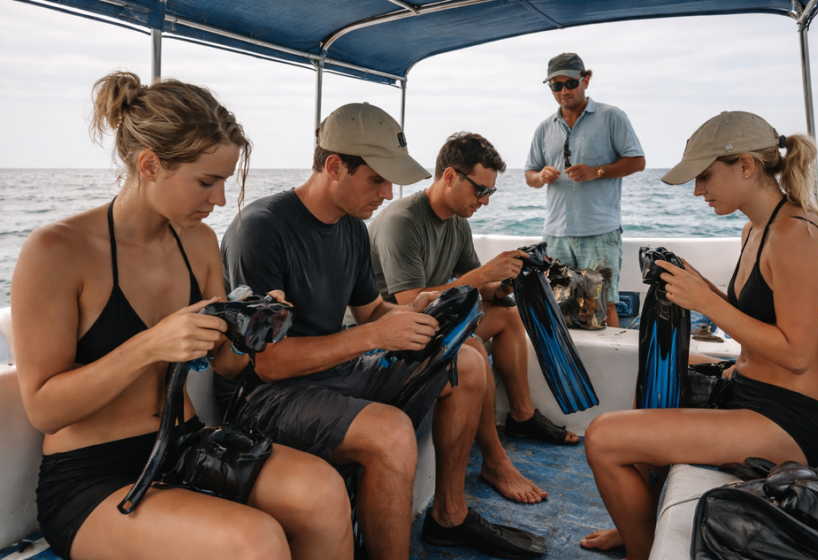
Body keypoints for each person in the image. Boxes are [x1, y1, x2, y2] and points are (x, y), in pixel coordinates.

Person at [11, 71, 353, 560]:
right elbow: (44, 408)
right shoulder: (57, 250)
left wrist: (246, 329)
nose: (217, 201)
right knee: (255, 542)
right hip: (92, 477)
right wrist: (150, 344)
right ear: (150, 165)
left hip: (187, 444)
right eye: (206, 182)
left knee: (324, 491)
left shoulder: (197, 242)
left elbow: (227, 367)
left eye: (223, 183)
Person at [218, 103, 547, 560]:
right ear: (335, 166)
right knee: (390, 432)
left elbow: (371, 310)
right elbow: (268, 362)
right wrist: (373, 338)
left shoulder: (352, 228)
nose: (389, 192)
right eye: (377, 179)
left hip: (333, 371)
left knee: (469, 360)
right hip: (265, 397)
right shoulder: (260, 230)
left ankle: (449, 516)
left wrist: (412, 310)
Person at [583, 111, 818, 560]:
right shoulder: (756, 228)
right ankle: (637, 518)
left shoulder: (796, 235)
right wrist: (697, 283)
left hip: (788, 419)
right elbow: (757, 312)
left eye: (704, 176)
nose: (698, 191)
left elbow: (798, 353)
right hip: (750, 389)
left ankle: (641, 551)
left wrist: (706, 301)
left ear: (746, 166)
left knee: (604, 437)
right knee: (663, 369)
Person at [369, 132, 581, 504]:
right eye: (480, 190)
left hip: (432, 321)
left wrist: (507, 283)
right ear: (449, 176)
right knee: (472, 347)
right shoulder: (403, 220)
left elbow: (480, 290)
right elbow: (409, 302)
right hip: (396, 329)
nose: (484, 201)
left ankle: (522, 414)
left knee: (506, 315)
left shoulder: (457, 222)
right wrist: (485, 275)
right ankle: (495, 461)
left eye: (491, 193)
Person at [524, 53, 645, 327]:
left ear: (586, 80)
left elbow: (638, 161)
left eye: (570, 83)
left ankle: (615, 369)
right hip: (555, 235)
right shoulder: (544, 128)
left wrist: (596, 171)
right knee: (559, 307)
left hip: (599, 233)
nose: (564, 90)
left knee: (602, 307)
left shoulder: (611, 116)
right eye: (556, 85)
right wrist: (540, 176)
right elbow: (529, 174)